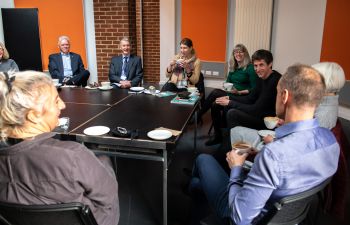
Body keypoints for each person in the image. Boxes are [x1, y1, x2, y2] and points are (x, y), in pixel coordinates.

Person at [189, 64, 340, 225]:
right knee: (199, 183)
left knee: (203, 159)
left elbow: (239, 218)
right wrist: (261, 155)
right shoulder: (331, 141)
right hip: (288, 217)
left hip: (243, 214)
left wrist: (236, 168)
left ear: (284, 96)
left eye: (276, 92)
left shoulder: (273, 155)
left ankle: (196, 210)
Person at [0, 71, 119, 225]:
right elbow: (107, 196)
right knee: (105, 160)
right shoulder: (73, 156)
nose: (62, 105)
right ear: (33, 115)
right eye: (56, 101)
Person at [230, 62, 346, 153]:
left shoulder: (323, 117)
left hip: (278, 147)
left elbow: (301, 149)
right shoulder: (328, 104)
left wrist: (273, 142)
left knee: (235, 130)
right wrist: (287, 124)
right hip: (283, 140)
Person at [206, 49, 281, 146]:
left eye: (261, 65)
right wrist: (230, 98)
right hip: (257, 112)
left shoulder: (275, 80)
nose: (257, 69)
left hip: (265, 121)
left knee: (232, 113)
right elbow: (250, 99)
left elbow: (256, 109)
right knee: (217, 104)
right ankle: (220, 137)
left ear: (270, 64)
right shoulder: (261, 78)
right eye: (255, 65)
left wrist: (231, 103)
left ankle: (228, 147)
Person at [197, 44, 257, 123]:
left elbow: (254, 89)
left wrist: (239, 92)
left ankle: (198, 115)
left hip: (242, 97)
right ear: (233, 54)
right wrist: (225, 87)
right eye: (235, 52)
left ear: (245, 54)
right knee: (214, 104)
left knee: (215, 92)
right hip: (231, 94)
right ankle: (218, 133)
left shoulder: (250, 68)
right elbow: (228, 82)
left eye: (240, 52)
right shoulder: (233, 67)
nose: (238, 54)